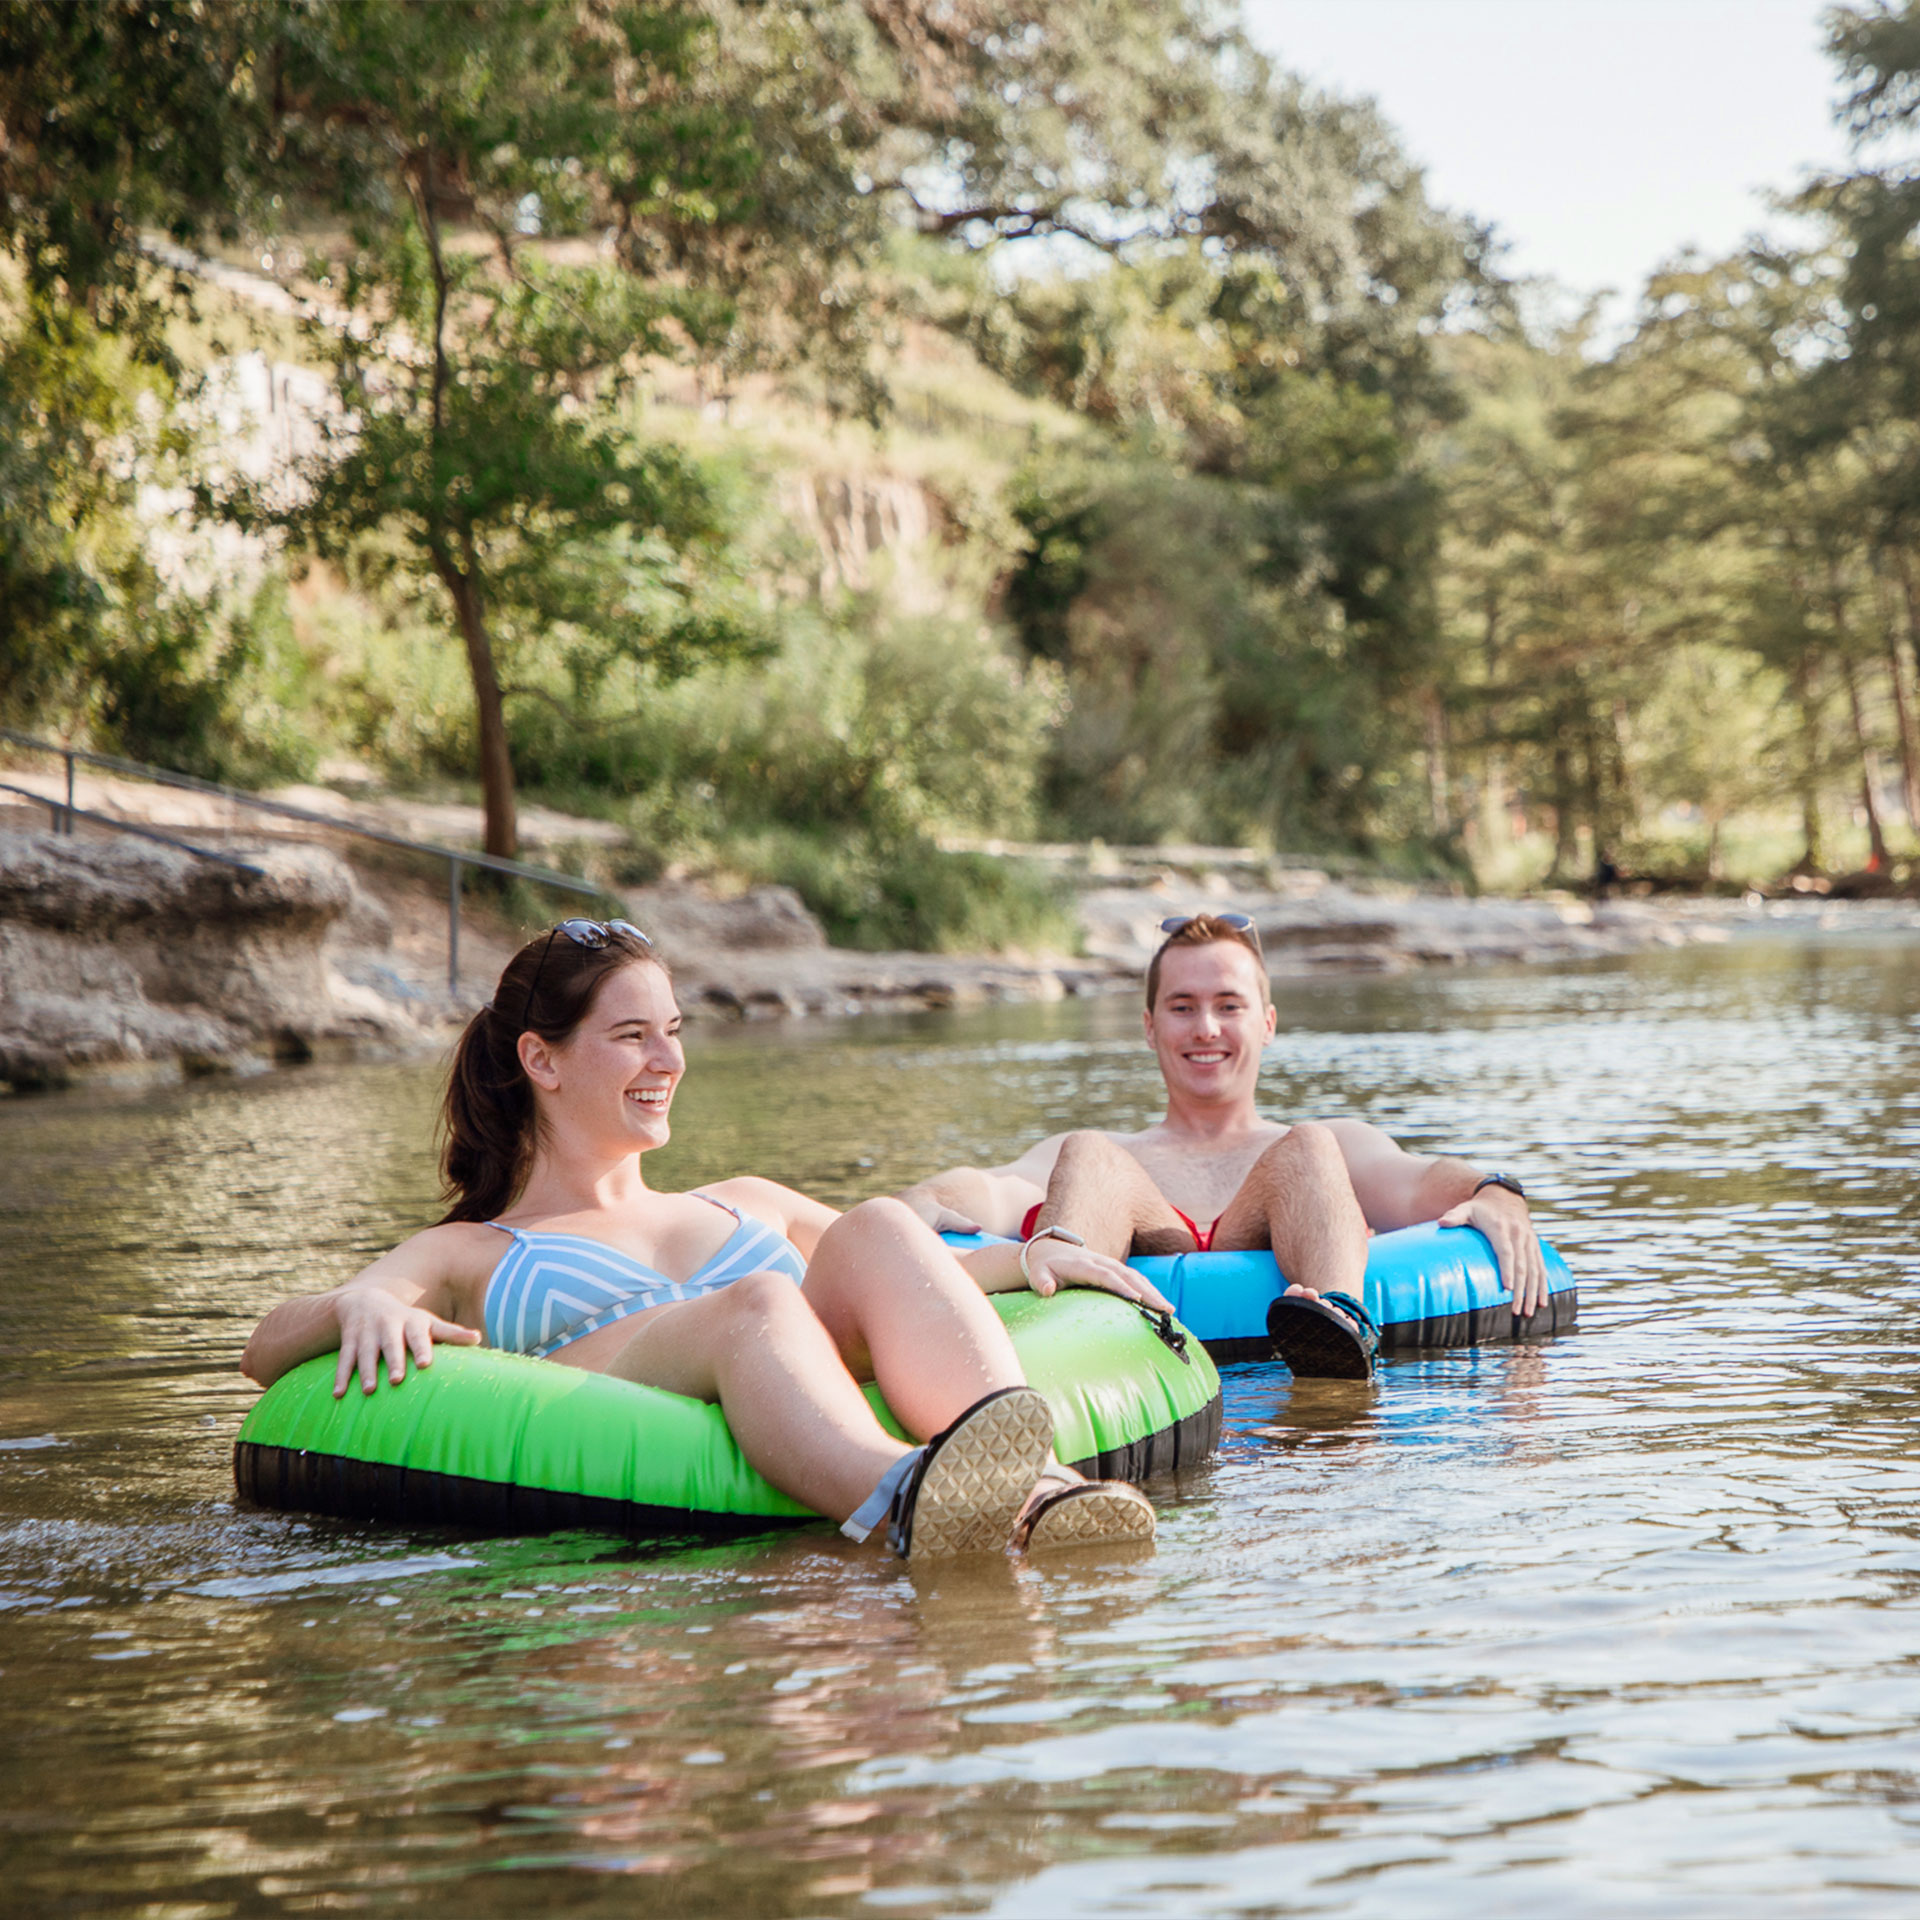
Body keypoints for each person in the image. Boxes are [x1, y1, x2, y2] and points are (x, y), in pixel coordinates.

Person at [242, 919, 1160, 1560]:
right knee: (755, 1300)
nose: (669, 1062)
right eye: (633, 1036)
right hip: (629, 1395)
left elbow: (910, 1273)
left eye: (674, 1034)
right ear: (540, 1059)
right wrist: (355, 1301)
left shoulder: (740, 1201)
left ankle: (1036, 1482)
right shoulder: (475, 1251)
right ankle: (905, 1498)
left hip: (787, 1361)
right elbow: (263, 1350)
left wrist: (1031, 1257)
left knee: (880, 1221)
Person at [896, 912, 1550, 1379]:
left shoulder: (1324, 1148)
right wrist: (921, 1201)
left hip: (1295, 1249)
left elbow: (1413, 1180)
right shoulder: (1103, 1155)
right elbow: (996, 1189)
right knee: (1091, 1153)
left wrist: (1495, 1192)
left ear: (1266, 1024)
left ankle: (1338, 1330)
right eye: (1182, 1007)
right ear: (1150, 1028)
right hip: (1122, 1303)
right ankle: (1073, 1347)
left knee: (1309, 1146)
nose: (1205, 1028)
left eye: (1228, 1006)